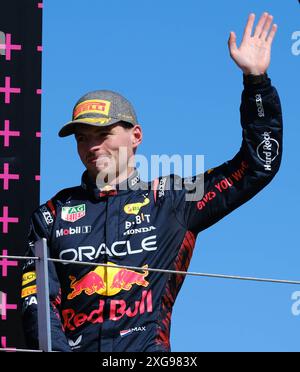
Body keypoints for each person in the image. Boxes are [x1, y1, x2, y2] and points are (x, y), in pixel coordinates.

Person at [21, 12, 283, 352]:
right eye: (83, 137)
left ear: (136, 136)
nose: (92, 146)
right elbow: (37, 302)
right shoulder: (52, 214)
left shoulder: (171, 199)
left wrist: (257, 83)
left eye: (104, 133)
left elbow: (256, 167)